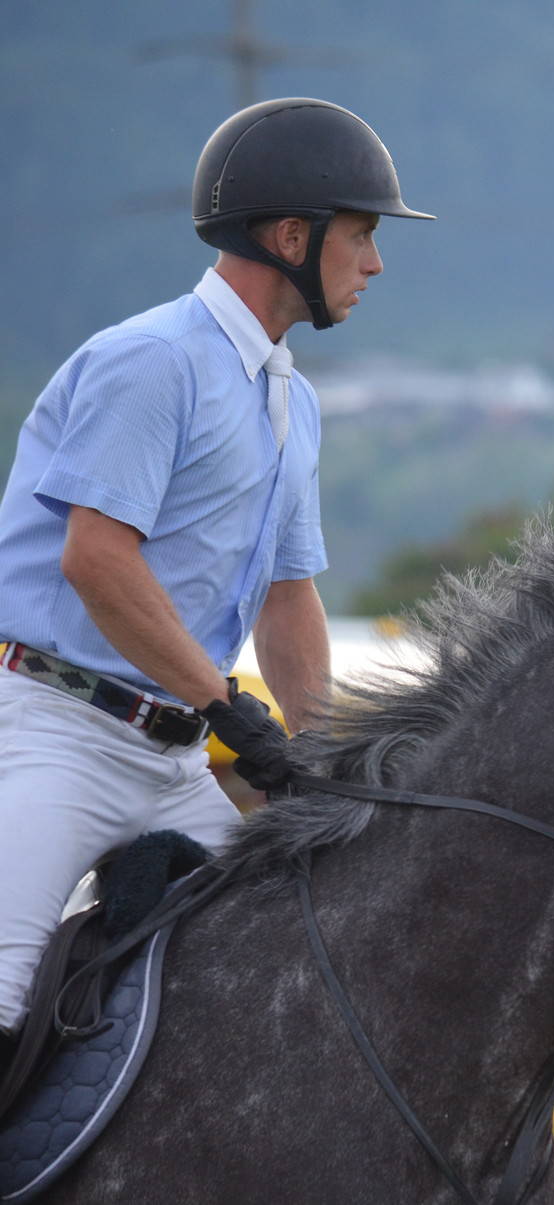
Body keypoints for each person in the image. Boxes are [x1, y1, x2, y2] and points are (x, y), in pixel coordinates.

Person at [0, 98, 434, 1048]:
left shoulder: (292, 401)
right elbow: (95, 560)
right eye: (361, 235)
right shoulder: (153, 363)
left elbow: (288, 596)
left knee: (289, 976)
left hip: (173, 761)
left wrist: (317, 754)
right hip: (57, 732)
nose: (374, 263)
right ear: (292, 236)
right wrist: (229, 706)